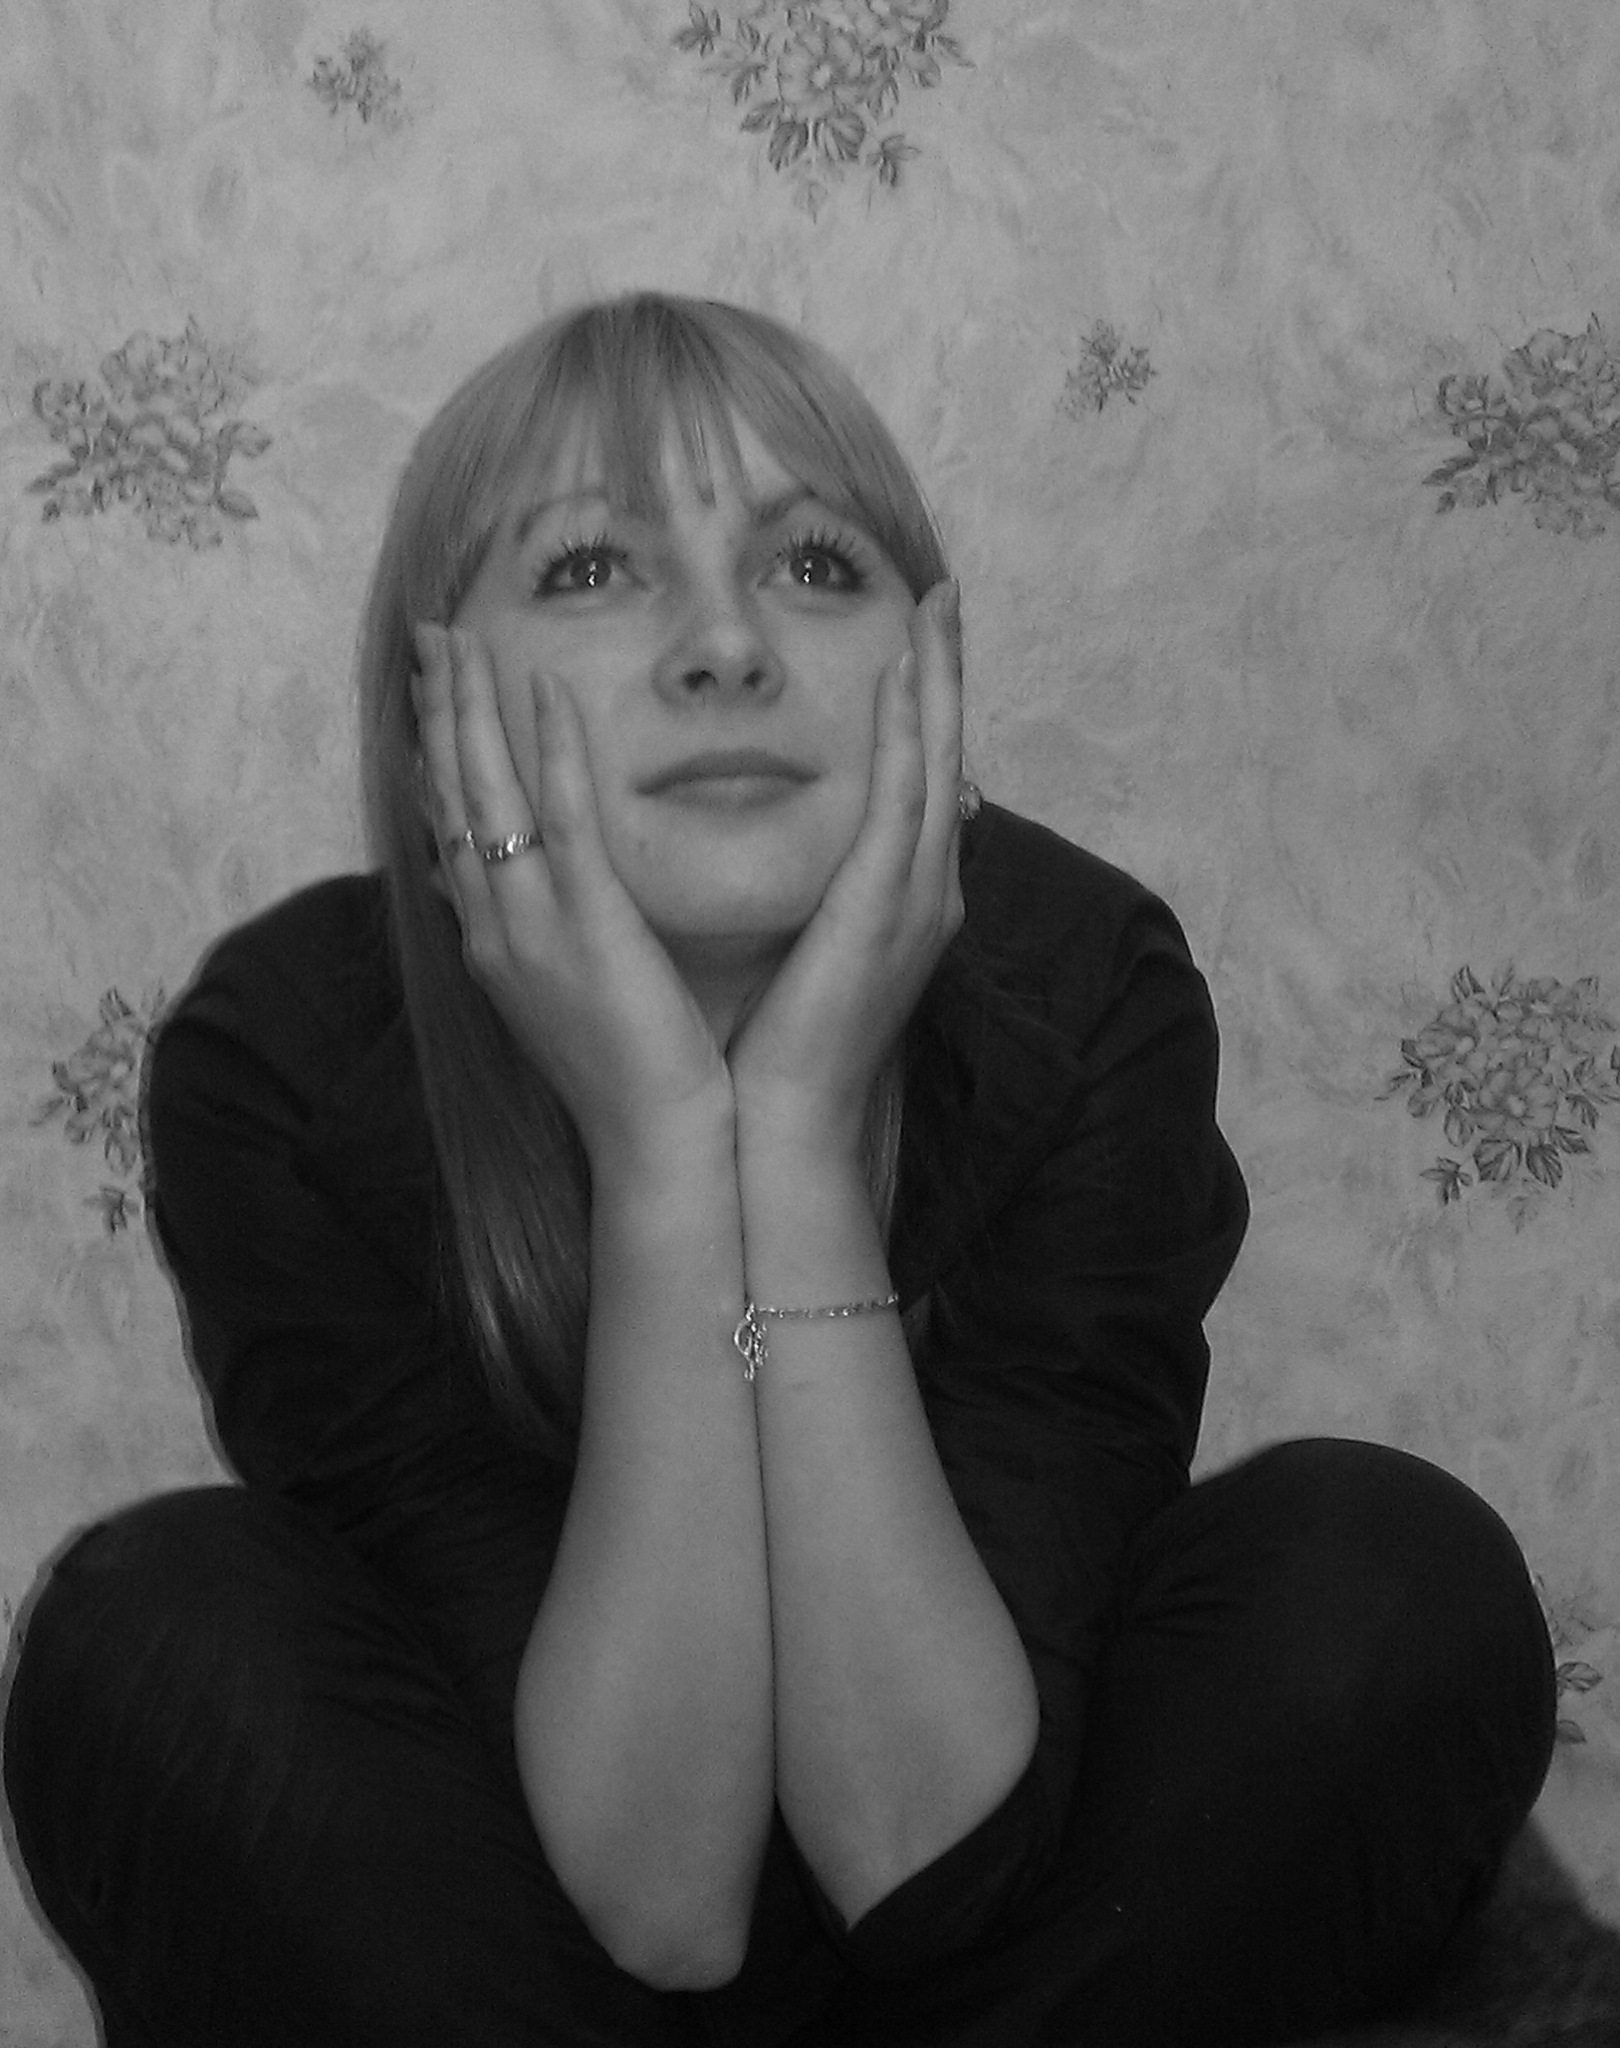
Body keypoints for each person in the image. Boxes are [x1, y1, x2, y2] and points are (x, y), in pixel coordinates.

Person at [4, 292, 1555, 2048]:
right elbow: (659, 1901)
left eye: (816, 565)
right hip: (524, 1942)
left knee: (1387, 1580)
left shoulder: (1084, 991)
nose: (727, 646)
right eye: (593, 568)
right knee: (157, 1628)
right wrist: (667, 1147)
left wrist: (799, 1129)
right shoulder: (291, 1060)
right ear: (434, 727)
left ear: (931, 680)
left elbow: (928, 1853)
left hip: (1007, 1929)